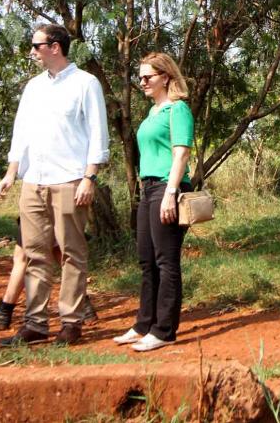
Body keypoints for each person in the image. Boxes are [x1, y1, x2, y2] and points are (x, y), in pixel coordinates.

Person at [0, 23, 109, 347]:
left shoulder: (86, 84)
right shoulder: (33, 88)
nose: (32, 51)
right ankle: (35, 323)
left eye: (36, 45)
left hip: (70, 180)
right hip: (34, 181)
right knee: (34, 254)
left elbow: (98, 134)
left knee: (72, 253)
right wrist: (10, 173)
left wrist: (89, 177)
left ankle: (71, 323)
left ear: (55, 47)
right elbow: (22, 132)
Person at [113, 52, 194, 352]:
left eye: (149, 76)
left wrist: (170, 193)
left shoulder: (178, 110)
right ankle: (143, 324)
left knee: (166, 261)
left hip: (166, 188)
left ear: (166, 77)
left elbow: (181, 153)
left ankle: (164, 330)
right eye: (141, 77)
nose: (143, 81)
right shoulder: (152, 112)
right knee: (147, 261)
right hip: (147, 190)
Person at [0, 230, 98, 329]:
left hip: (40, 206)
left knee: (23, 255)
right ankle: (83, 305)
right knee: (56, 251)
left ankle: (4, 312)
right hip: (49, 205)